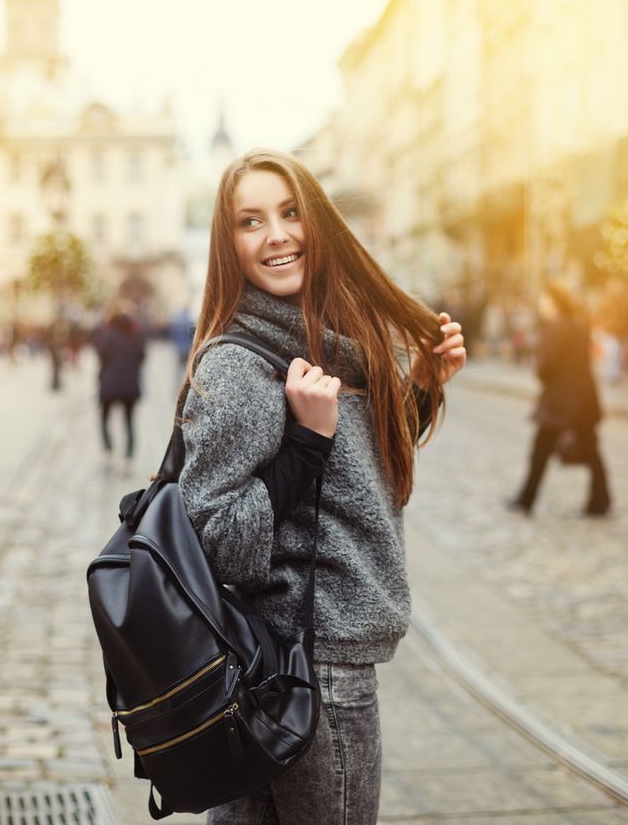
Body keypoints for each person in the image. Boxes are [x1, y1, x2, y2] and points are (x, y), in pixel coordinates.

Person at [179, 149, 465, 824]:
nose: (276, 233)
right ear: (231, 247)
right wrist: (306, 442)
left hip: (289, 665)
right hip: (307, 668)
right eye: (250, 221)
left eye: (288, 212)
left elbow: (351, 489)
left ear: (318, 222)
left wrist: (421, 388)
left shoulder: (328, 342)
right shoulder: (241, 366)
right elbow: (215, 537)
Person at [508, 282, 611, 518]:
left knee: (540, 451)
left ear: (553, 303)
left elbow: (546, 368)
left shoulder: (555, 329)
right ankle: (601, 500)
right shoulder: (577, 326)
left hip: (560, 403)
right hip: (584, 400)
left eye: (544, 301)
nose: (541, 306)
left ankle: (526, 499)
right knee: (593, 451)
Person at [92, 306, 146, 470]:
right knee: (129, 421)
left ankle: (108, 451)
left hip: (109, 384)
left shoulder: (107, 334)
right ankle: (128, 458)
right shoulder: (134, 334)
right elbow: (142, 357)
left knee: (104, 418)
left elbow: (101, 354)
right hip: (130, 385)